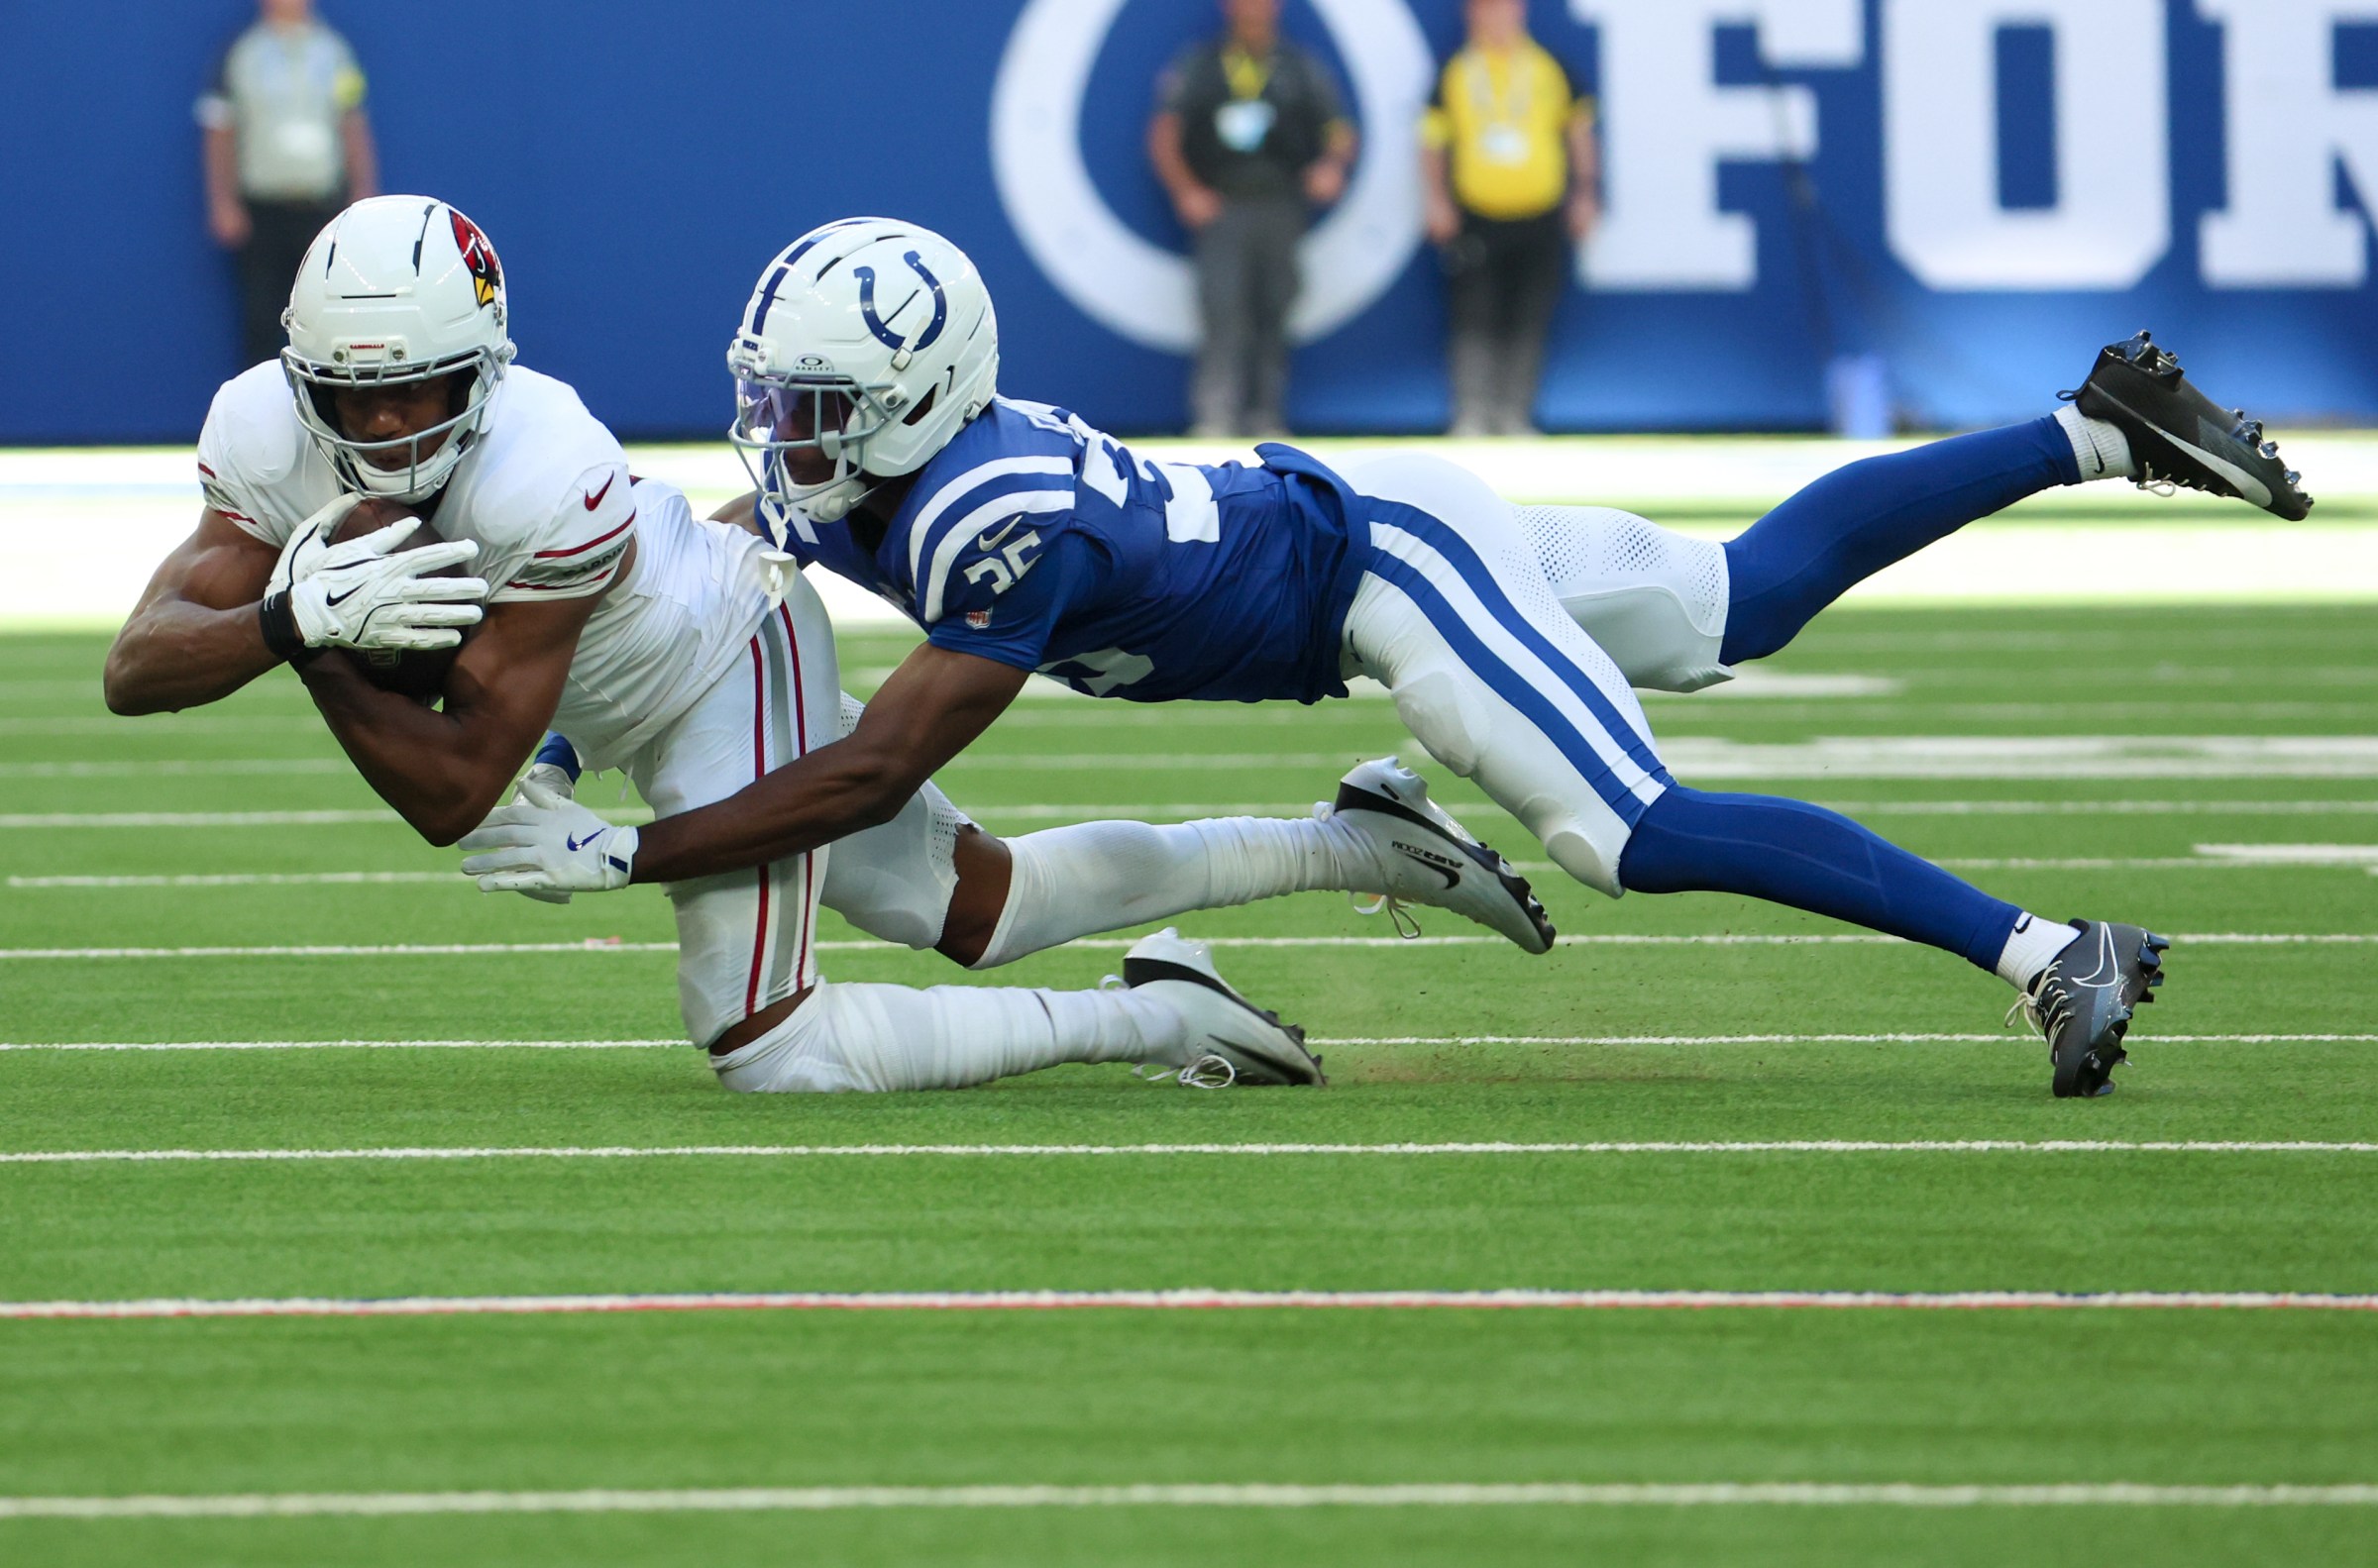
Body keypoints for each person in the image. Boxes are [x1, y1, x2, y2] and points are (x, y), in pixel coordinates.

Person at [466, 217, 2320, 1099]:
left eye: (815, 407)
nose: (778, 436)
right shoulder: (890, 464)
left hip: (1385, 578)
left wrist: (633, 847)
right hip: (1364, 531)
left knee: (1629, 830)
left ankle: (2045, 946)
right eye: (777, 398)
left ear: (919, 398)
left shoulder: (982, 516)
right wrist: (557, 729)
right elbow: (693, 566)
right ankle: (2092, 428)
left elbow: (870, 771)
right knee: (1738, 600)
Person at [105, 196, 1563, 1097]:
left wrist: (331, 653)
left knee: (772, 1051)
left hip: (722, 654)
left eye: (414, 391)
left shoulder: (546, 466)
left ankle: (1151, 1016)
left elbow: (449, 793)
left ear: (483, 371)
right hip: (627, 689)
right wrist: (289, 613)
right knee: (979, 904)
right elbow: (139, 663)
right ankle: (1357, 841)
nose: (379, 430)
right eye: (346, 399)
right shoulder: (257, 427)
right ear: (298, 379)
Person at [1149, 0, 1357, 438]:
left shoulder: (1300, 66)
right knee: (1222, 308)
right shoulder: (1201, 64)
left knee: (1275, 307)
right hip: (1224, 205)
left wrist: (1330, 167)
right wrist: (1187, 191)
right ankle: (1216, 415)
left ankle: (1267, 413)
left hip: (1281, 206)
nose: (1253, 10)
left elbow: (1338, 132)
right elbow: (1165, 133)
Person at [1420, 0, 1597, 436]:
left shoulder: (1549, 67)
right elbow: (1432, 142)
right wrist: (1436, 200)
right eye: (1482, 10)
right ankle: (1473, 413)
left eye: (1500, 9)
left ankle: (1515, 413)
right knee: (1473, 316)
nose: (1492, 19)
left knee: (1530, 315)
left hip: (1539, 214)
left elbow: (1579, 135)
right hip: (1477, 216)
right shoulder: (1457, 71)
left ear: (1519, 12)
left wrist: (1586, 193)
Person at [198, 0, 378, 369]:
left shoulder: (334, 52)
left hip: (322, 210)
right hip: (262, 211)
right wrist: (222, 202)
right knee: (262, 320)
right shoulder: (241, 52)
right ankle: (261, 420)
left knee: (327, 321)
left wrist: (362, 194)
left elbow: (352, 121)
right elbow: (219, 129)